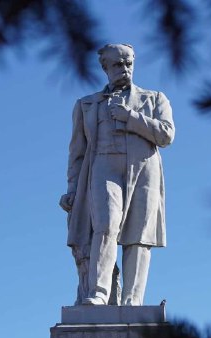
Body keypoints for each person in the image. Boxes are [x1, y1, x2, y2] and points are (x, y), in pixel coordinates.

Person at [59, 43, 175, 306]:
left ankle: (133, 301)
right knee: (105, 225)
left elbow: (166, 135)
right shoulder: (87, 105)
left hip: (144, 168)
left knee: (139, 235)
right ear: (106, 68)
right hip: (103, 166)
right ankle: (100, 292)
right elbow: (77, 154)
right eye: (118, 64)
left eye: (129, 63)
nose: (125, 69)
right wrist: (72, 189)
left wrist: (130, 117)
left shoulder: (154, 98)